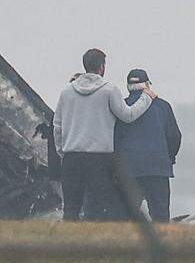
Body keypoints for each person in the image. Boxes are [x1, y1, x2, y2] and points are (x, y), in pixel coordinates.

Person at [54, 49, 157, 221]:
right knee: (97, 208)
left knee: (71, 209)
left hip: (72, 157)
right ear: (102, 67)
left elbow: (57, 126)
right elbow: (128, 115)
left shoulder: (66, 93)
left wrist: (62, 152)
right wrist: (146, 97)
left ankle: (70, 237)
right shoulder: (109, 90)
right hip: (100, 159)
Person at [114, 68, 182, 222]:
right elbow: (174, 136)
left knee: (123, 219)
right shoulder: (163, 106)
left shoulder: (121, 107)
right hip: (157, 169)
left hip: (128, 170)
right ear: (147, 85)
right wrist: (169, 158)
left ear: (128, 87)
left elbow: (114, 139)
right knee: (160, 217)